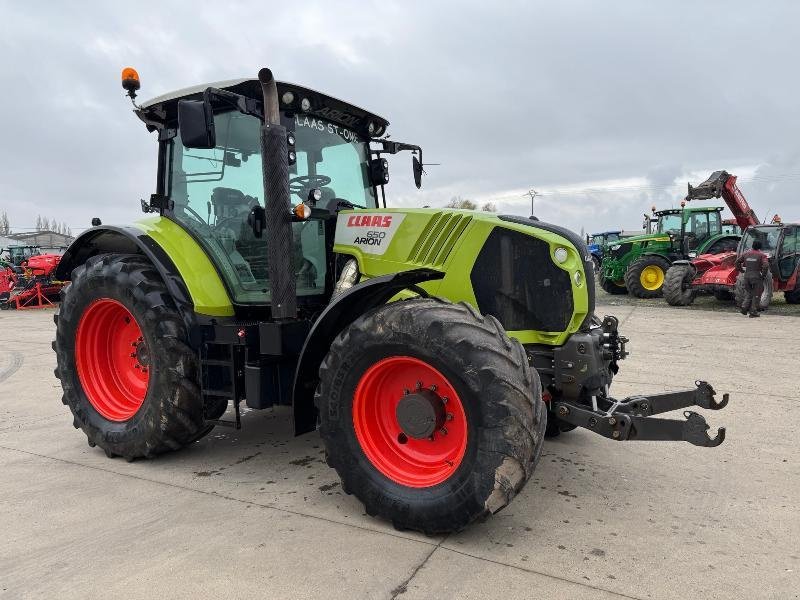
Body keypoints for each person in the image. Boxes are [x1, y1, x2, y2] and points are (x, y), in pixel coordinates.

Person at [735, 239, 770, 317]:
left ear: (752, 246)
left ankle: (744, 308)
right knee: (757, 294)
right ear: (760, 247)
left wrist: (741, 270)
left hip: (746, 277)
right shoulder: (762, 255)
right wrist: (763, 275)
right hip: (756, 277)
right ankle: (753, 312)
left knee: (749, 293)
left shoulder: (745, 254)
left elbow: (737, 262)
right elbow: (766, 265)